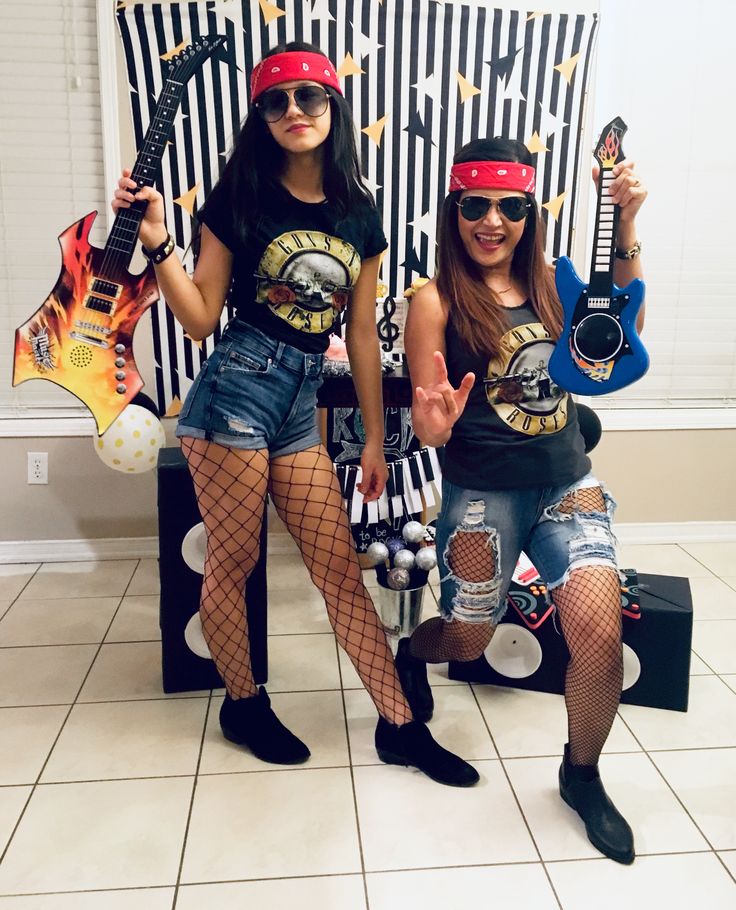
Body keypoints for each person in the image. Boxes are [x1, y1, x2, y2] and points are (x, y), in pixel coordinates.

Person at [111, 41, 478, 787]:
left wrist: (377, 437)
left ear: (332, 107)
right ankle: (243, 703)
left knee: (339, 571)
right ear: (261, 116)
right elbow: (198, 316)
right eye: (274, 101)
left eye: (307, 97)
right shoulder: (239, 196)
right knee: (236, 563)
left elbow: (359, 335)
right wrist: (159, 245)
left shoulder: (356, 212)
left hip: (299, 403)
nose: (292, 112)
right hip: (235, 392)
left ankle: (401, 728)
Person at [402, 136, 647, 859]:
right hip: (482, 495)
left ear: (528, 213)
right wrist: (431, 423)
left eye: (510, 207)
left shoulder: (554, 284)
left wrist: (626, 221)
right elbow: (425, 413)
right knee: (466, 641)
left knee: (600, 637)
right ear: (454, 212)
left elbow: (619, 334)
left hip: (567, 483)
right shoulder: (434, 299)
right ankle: (411, 653)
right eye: (475, 206)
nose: (492, 221)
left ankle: (582, 773)